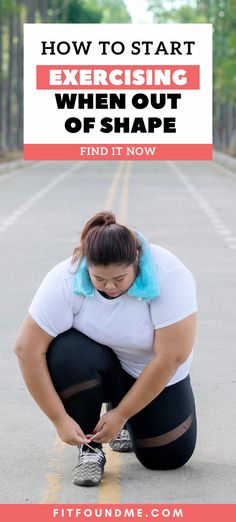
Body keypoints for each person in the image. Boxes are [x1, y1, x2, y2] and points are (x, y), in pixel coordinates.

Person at [14, 210, 198, 487]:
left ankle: (126, 423)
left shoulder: (169, 273)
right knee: (66, 351)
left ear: (136, 261)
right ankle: (90, 450)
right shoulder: (65, 278)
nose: (109, 287)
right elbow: (26, 349)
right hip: (101, 366)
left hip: (152, 373)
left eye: (119, 279)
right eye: (99, 279)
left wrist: (121, 414)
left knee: (167, 459)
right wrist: (59, 419)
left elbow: (171, 357)